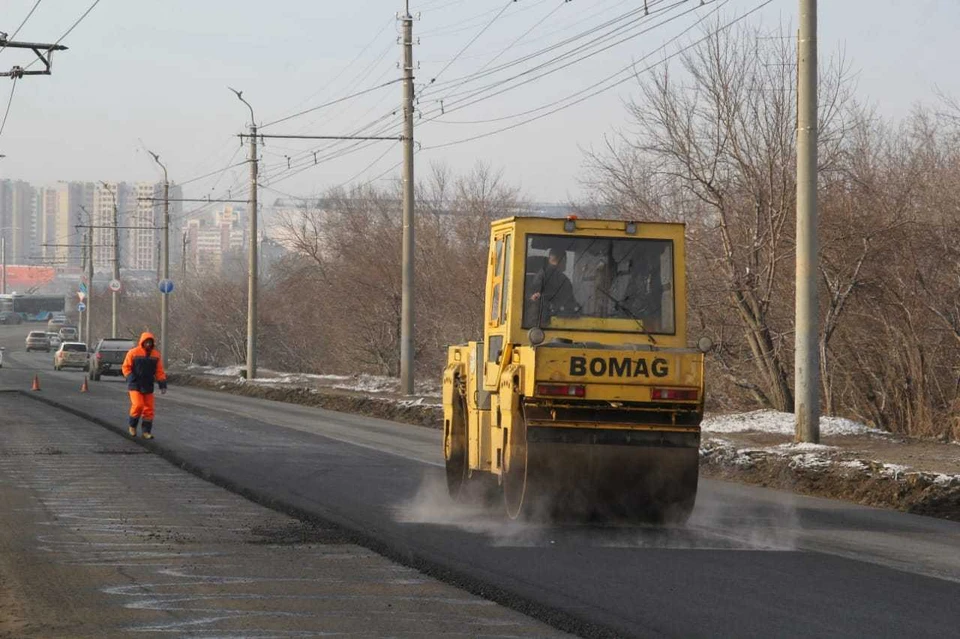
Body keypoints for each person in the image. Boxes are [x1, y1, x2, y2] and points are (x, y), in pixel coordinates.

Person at [122, 332, 167, 439]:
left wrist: (162, 384)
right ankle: (132, 426)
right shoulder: (133, 353)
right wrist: (130, 377)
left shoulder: (156, 355)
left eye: (150, 342)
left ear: (152, 343)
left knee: (149, 410)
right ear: (142, 342)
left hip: (148, 385)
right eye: (146, 342)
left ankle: (146, 431)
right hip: (135, 384)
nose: (148, 344)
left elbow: (159, 371)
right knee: (138, 405)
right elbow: (125, 367)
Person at [529, 248, 577, 323]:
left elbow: (533, 297)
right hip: (554, 321)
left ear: (549, 259)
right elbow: (569, 303)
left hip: (536, 320)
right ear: (563, 259)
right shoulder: (563, 280)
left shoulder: (540, 274)